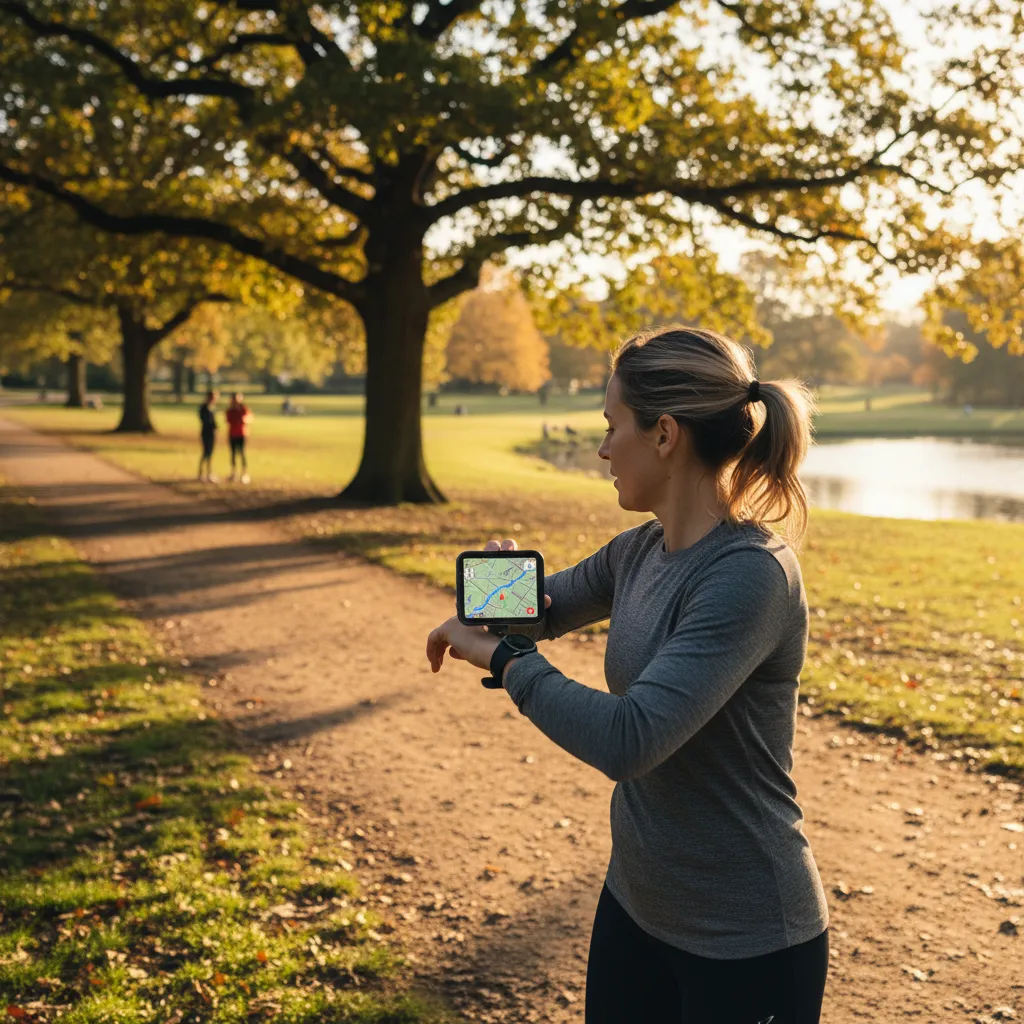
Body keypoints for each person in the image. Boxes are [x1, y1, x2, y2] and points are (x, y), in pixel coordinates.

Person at [425, 326, 830, 1023]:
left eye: (614, 427)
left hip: (748, 938)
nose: (605, 448)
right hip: (637, 905)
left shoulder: (750, 576)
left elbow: (631, 739)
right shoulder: (640, 551)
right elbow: (541, 610)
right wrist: (493, 601)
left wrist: (505, 658)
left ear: (665, 434)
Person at [225, 392, 253, 483]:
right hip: (232, 434)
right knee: (233, 454)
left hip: (242, 434)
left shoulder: (243, 409)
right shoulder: (230, 410)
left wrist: (245, 419)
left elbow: (249, 417)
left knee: (242, 454)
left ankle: (244, 473)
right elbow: (228, 420)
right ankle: (233, 473)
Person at [197, 390, 218, 482]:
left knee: (210, 453)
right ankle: (202, 473)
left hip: (211, 433)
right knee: (206, 453)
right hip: (206, 433)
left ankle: (209, 472)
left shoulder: (212, 407)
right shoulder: (204, 408)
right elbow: (205, 420)